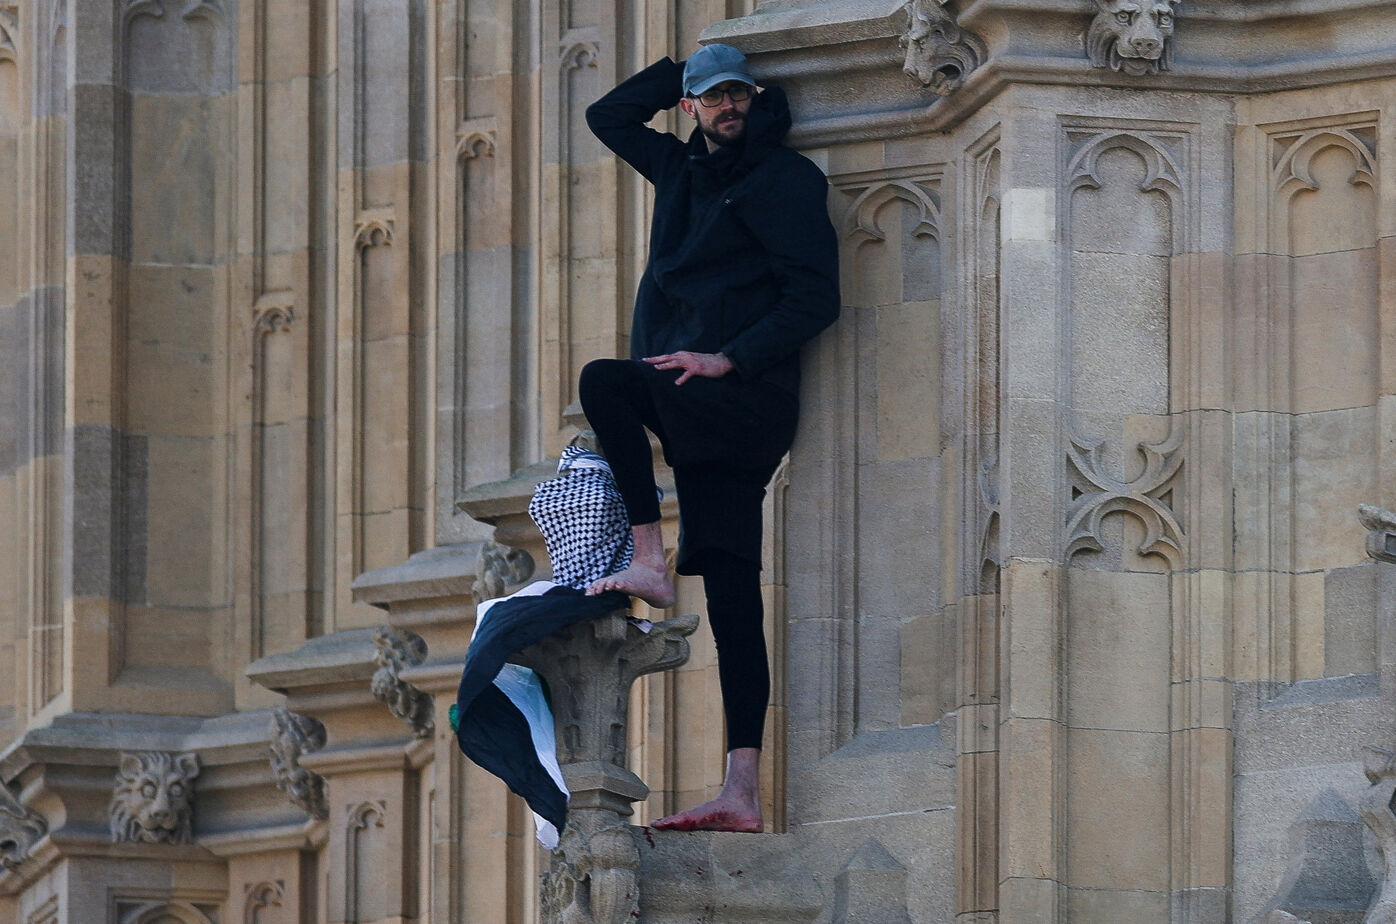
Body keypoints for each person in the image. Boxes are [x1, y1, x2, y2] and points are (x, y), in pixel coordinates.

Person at [580, 43, 840, 832]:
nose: (730, 108)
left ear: (756, 99)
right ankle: (742, 790)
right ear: (691, 108)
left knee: (605, 382)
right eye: (713, 97)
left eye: (739, 95)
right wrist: (681, 69)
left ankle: (646, 556)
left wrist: (728, 359)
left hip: (742, 399)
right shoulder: (679, 170)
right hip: (695, 408)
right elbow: (606, 115)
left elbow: (815, 299)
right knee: (732, 598)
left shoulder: (788, 180)